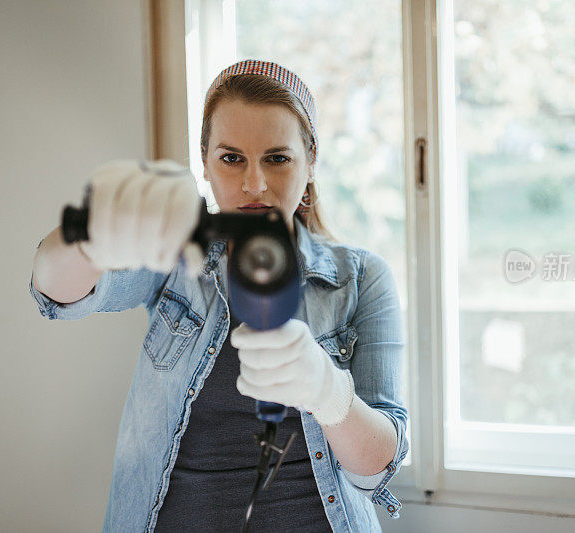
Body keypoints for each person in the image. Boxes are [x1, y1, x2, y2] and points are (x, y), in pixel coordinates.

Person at [29, 59, 408, 533]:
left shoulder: (362, 278)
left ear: (311, 160)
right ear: (204, 160)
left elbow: (377, 470)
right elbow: (55, 290)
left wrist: (327, 393)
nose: (254, 184)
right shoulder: (173, 253)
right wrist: (95, 227)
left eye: (277, 158)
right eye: (232, 158)